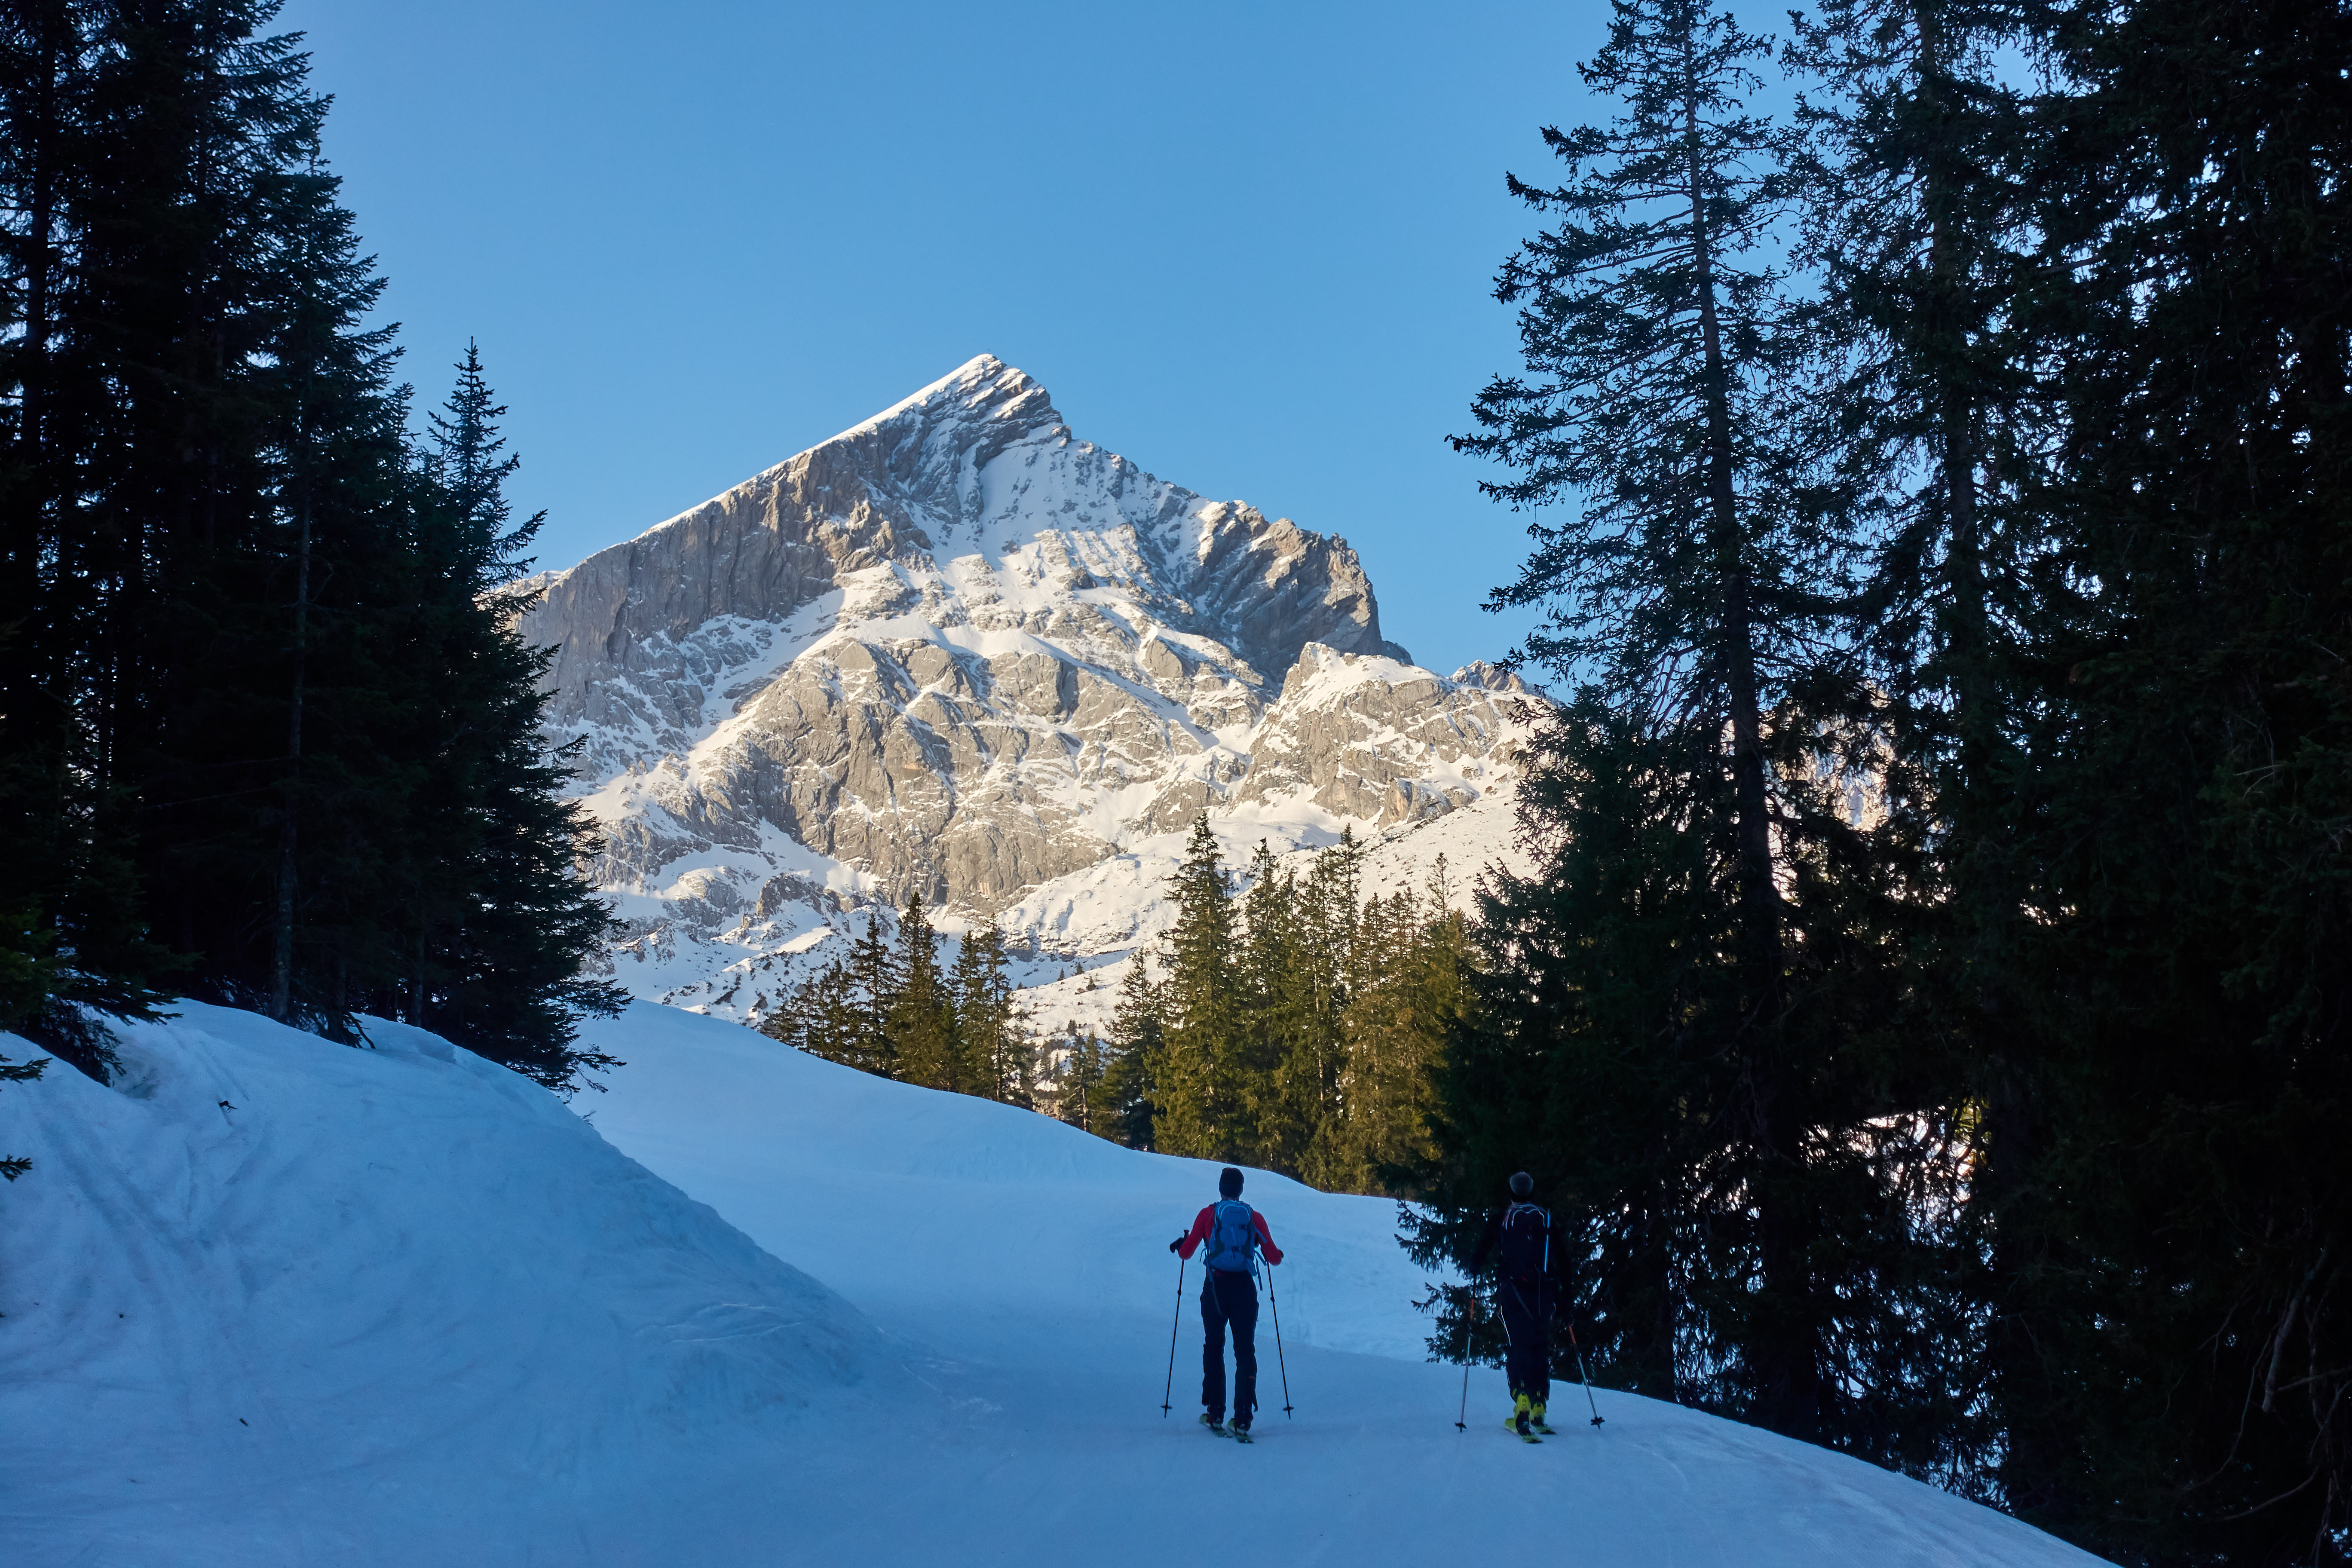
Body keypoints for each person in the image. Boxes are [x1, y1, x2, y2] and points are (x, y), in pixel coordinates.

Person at [1170, 1166, 1283, 1436]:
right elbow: (1274, 1258)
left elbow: (1187, 1254)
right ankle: (1243, 1417)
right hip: (1244, 1289)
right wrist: (1276, 1252)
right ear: (1241, 1190)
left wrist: (1182, 1244)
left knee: (1214, 1346)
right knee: (1245, 1351)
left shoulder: (1208, 1214)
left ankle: (1215, 1412)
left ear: (1221, 1188)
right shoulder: (1254, 1217)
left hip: (1216, 1290)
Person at [1470, 1170, 1567, 1438]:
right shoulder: (1546, 1219)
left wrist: (1476, 1268)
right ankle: (1539, 1404)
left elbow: (1480, 1254)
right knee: (1539, 1346)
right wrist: (1565, 1300)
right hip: (1543, 1294)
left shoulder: (1502, 1219)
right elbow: (1564, 1261)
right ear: (1532, 1192)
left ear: (1512, 1192)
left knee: (1517, 1345)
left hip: (1513, 1292)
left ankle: (1521, 1399)